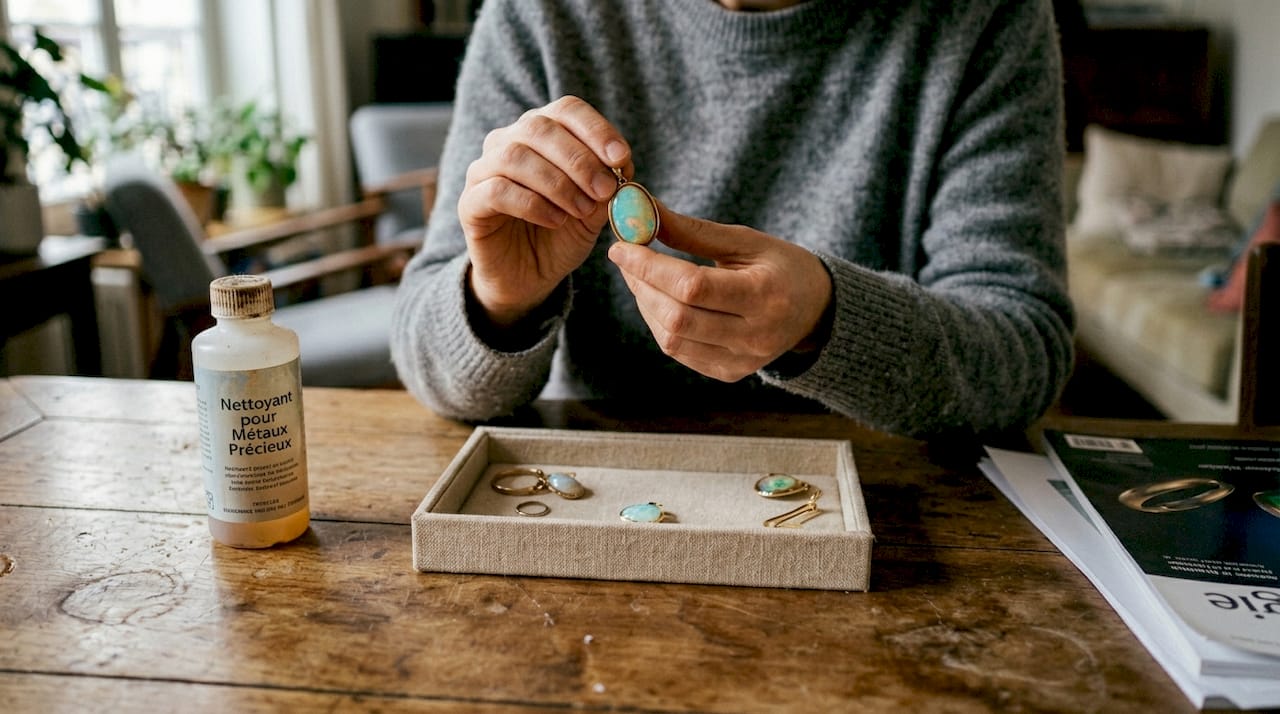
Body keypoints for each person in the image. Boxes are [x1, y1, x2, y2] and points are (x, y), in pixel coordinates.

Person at [390, 0, 1075, 439]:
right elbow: (431, 365)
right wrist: (501, 300)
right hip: (600, 493)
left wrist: (828, 322)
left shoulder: (987, 18)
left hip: (890, 506)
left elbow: (1024, 352)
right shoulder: (538, 14)